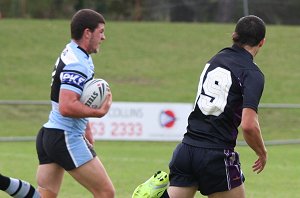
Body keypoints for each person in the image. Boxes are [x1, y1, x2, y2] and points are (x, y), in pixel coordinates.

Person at [132, 15, 268, 198]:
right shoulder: (252, 73)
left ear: (234, 35)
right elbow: (249, 125)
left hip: (187, 149)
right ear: (262, 42)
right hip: (216, 155)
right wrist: (262, 151)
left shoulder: (215, 60)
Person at [35, 9, 114, 198]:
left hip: (50, 134)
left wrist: (86, 127)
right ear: (88, 33)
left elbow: (76, 99)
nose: (103, 37)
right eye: (101, 31)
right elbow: (67, 106)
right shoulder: (77, 63)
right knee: (105, 192)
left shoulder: (73, 52)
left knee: (45, 196)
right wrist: (99, 113)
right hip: (65, 135)